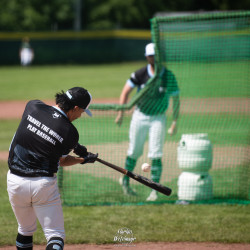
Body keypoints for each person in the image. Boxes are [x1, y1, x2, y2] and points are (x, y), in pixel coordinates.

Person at [7, 87, 98, 250]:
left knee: (25, 230)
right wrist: (82, 159)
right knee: (55, 235)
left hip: (15, 181)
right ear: (75, 108)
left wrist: (75, 146)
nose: (80, 116)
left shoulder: (32, 106)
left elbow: (46, 127)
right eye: (82, 112)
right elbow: (62, 161)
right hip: (43, 185)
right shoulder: (70, 133)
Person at [115, 43, 180, 201]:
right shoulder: (140, 74)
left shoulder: (168, 76)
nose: (153, 58)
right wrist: (121, 113)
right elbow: (125, 91)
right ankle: (125, 181)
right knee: (134, 151)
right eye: (150, 55)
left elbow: (176, 98)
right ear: (146, 57)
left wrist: (175, 122)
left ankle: (154, 190)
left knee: (156, 153)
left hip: (158, 117)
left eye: (155, 55)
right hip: (140, 115)